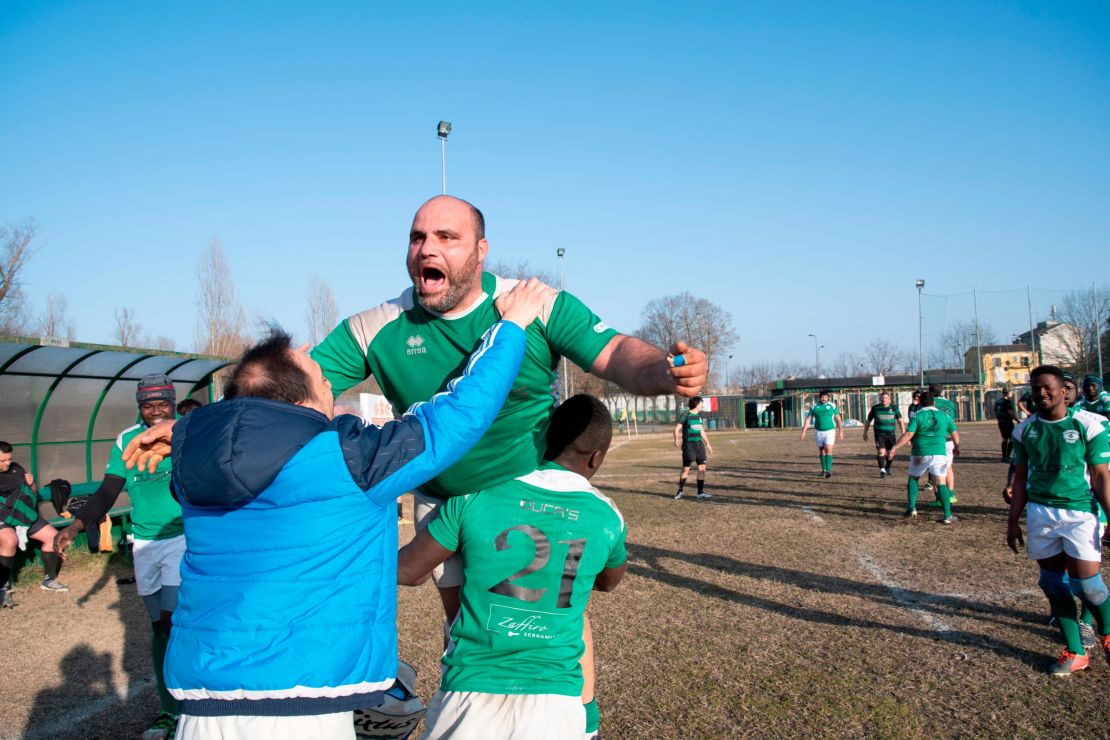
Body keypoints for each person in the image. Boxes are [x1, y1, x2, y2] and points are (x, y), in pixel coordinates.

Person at [309, 195, 707, 736]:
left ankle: (581, 724)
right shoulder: (377, 326)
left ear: (480, 251)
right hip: (442, 500)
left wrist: (664, 369)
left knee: (557, 623)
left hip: (527, 494)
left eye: (446, 237)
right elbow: (295, 387)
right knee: (467, 630)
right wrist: (206, 424)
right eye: (417, 237)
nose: (427, 248)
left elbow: (615, 354)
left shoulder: (534, 304)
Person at [126, 281, 547, 739]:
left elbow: (239, 427)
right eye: (324, 381)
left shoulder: (192, 456)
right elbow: (460, 415)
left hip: (202, 709)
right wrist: (511, 326)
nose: (332, 390)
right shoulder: (352, 458)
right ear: (300, 401)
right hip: (303, 709)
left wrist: (188, 428)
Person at [397, 394, 626, 739]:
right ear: (597, 457)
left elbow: (408, 571)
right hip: (556, 705)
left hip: (469, 697)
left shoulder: (475, 494)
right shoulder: (607, 516)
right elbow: (609, 581)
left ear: (542, 438)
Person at [55, 374, 183, 740]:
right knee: (158, 629)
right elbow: (107, 492)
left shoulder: (184, 432)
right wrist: (75, 527)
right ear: (139, 406)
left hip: (181, 538)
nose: (156, 411)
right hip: (143, 544)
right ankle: (167, 709)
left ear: (173, 404)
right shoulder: (126, 440)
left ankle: (187, 703)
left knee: (173, 622)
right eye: (149, 405)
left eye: (163, 404)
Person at [1006, 365, 1110, 675]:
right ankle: (1076, 651)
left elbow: (1101, 474)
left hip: (1080, 512)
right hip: (1041, 513)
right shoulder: (1024, 430)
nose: (1041, 392)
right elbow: (1021, 477)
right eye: (1035, 387)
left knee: (1087, 586)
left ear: (1064, 390)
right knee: (1052, 583)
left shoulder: (1089, 425)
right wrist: (1013, 521)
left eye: (1047, 387)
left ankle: (1106, 632)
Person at [0, 441, 67, 607]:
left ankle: (49, 579)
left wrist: (32, 484)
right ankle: (3, 588)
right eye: (2, 461)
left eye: (9, 459)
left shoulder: (17, 468)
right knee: (10, 541)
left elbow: (34, 493)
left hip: (24, 515)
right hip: (2, 516)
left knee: (54, 537)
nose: (7, 463)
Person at [889, 389, 960, 523]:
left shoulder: (917, 415)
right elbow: (954, 433)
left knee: (914, 478)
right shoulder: (944, 416)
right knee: (941, 483)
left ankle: (911, 508)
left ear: (920, 402)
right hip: (939, 452)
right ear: (933, 402)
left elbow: (909, 434)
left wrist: (895, 447)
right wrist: (957, 446)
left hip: (920, 452)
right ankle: (947, 516)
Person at [674, 396, 713, 499]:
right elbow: (677, 428)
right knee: (686, 469)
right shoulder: (686, 415)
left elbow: (701, 431)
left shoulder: (699, 417)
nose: (702, 405)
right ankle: (680, 491)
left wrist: (707, 443)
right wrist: (676, 439)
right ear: (696, 404)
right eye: (701, 403)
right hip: (689, 446)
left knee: (702, 468)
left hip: (699, 445)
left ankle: (700, 492)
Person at [799, 390, 842, 478]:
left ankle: (828, 470)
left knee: (828, 449)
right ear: (819, 397)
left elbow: (838, 419)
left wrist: (841, 431)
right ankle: (824, 470)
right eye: (822, 397)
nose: (824, 399)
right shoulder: (814, 406)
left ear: (828, 398)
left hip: (830, 431)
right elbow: (808, 419)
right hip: (818, 431)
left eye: (826, 397)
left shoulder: (832, 406)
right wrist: (804, 431)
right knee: (822, 450)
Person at [929, 383, 959, 506]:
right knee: (948, 467)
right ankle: (951, 495)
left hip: (934, 439)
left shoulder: (929, 403)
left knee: (933, 469)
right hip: (948, 439)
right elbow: (951, 420)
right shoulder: (950, 404)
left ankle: (939, 499)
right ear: (942, 392)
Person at [863, 391, 903, 478]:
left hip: (891, 435)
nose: (883, 399)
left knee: (891, 454)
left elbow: (900, 420)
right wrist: (865, 432)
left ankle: (888, 467)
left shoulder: (894, 408)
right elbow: (868, 421)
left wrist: (904, 432)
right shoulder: (875, 408)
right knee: (881, 452)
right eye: (882, 398)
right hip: (879, 434)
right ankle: (882, 470)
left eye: (885, 398)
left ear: (889, 399)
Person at [995, 387, 1019, 461]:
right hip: (1007, 422)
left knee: (1005, 439)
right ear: (1008, 393)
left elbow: (996, 412)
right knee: (1012, 438)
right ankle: (1008, 456)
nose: (1012, 394)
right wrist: (1017, 420)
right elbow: (1010, 413)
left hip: (1000, 422)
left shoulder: (997, 402)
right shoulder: (1007, 401)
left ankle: (1004, 456)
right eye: (1011, 393)